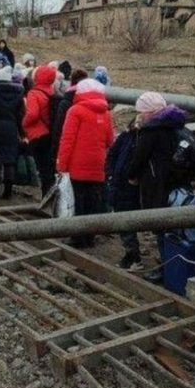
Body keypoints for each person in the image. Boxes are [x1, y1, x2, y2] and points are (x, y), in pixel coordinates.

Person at [125, 92, 192, 280]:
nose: (139, 115)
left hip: (157, 185)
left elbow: (139, 158)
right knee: (178, 226)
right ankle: (179, 264)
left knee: (162, 226)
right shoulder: (177, 125)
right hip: (179, 184)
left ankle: (167, 268)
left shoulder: (151, 131)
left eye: (141, 112)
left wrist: (131, 175)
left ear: (151, 112)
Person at [56, 79, 115, 248]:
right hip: (98, 164)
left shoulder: (75, 111)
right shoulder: (106, 112)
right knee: (93, 200)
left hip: (77, 164)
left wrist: (61, 165)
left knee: (77, 201)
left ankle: (78, 238)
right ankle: (90, 237)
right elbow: (110, 140)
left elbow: (67, 140)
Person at [107, 117, 143, 269]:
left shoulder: (143, 139)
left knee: (127, 221)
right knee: (123, 220)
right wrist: (109, 174)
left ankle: (133, 256)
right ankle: (132, 253)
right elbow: (112, 154)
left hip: (131, 187)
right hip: (119, 184)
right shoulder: (126, 137)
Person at [0, 66, 25, 199]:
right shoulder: (18, 95)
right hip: (11, 128)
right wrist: (22, 133)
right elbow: (20, 116)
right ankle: (8, 191)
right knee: (10, 159)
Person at [23, 65, 58, 195]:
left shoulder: (34, 93)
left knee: (43, 170)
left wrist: (23, 123)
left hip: (37, 135)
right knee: (49, 170)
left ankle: (46, 197)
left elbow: (32, 114)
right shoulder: (53, 93)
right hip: (50, 133)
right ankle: (51, 196)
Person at [51, 69, 89, 158]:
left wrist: (55, 148)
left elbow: (59, 127)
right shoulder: (91, 101)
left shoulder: (65, 101)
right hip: (84, 146)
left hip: (67, 144)